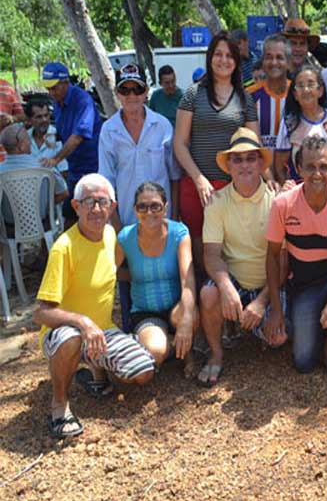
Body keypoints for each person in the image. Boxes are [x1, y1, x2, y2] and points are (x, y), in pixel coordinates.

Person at [33, 174, 155, 439]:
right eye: (89, 202)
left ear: (113, 207)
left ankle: (95, 370)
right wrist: (83, 322)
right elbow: (40, 312)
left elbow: (110, 273)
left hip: (102, 332)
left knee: (143, 372)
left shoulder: (111, 235)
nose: (97, 209)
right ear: (76, 207)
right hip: (65, 334)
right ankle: (60, 405)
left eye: (103, 202)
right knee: (71, 337)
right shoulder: (63, 248)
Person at [265, 136, 327, 379]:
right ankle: (318, 330)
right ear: (298, 169)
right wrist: (275, 309)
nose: (317, 174)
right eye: (310, 167)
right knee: (303, 362)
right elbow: (273, 257)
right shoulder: (283, 204)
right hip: (304, 284)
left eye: (323, 167)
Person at [173, 32, 259, 277]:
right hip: (197, 186)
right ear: (210, 58)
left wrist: (267, 179)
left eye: (229, 55)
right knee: (199, 252)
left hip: (234, 187)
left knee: (230, 251)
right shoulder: (192, 94)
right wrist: (199, 178)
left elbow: (254, 145)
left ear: (237, 61)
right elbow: (180, 143)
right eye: (218, 54)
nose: (224, 60)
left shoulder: (245, 98)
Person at [197, 128, 277, 386]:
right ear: (228, 166)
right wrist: (226, 286)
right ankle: (217, 354)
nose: (244, 165)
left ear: (261, 163)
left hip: (268, 285)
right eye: (237, 159)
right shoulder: (217, 202)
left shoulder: (278, 200)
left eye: (251, 158)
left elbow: (284, 260)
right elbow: (211, 254)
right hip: (235, 283)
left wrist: (263, 301)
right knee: (209, 294)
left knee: (279, 340)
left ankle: (245, 328)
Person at [116, 182, 198, 374]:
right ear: (135, 210)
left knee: (190, 315)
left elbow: (188, 279)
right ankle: (173, 346)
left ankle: (187, 352)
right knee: (155, 352)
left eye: (155, 206)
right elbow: (108, 272)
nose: (149, 212)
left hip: (177, 305)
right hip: (145, 312)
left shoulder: (179, 233)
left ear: (166, 207)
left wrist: (186, 317)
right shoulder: (125, 238)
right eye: (142, 207)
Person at [99, 63, 181, 232]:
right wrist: (117, 227)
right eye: (125, 90)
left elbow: (174, 176)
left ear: (146, 92)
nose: (131, 96)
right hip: (126, 222)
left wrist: (172, 220)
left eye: (137, 89)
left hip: (162, 223)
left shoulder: (163, 126)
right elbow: (106, 183)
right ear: (117, 93)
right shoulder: (108, 130)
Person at [40, 61, 103, 218]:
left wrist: (55, 159)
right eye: (48, 88)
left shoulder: (83, 100)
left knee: (92, 213)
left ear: (65, 83)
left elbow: (77, 137)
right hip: (75, 168)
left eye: (54, 88)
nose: (51, 92)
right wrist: (51, 138)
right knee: (71, 214)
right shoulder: (57, 101)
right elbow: (64, 131)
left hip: (93, 167)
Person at [273, 64, 327, 185]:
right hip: (299, 193)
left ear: (320, 91)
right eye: (300, 86)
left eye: (311, 84)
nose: (306, 90)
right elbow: (279, 166)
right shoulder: (289, 123)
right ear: (295, 94)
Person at [0, 123, 68, 225]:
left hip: (9, 229)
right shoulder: (44, 167)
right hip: (41, 225)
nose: (30, 143)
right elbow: (64, 193)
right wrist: (46, 205)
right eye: (28, 140)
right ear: (21, 146)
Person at [245, 34, 292, 163]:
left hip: (293, 176)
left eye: (280, 58)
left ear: (288, 62)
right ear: (263, 62)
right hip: (259, 175)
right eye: (269, 57)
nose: (274, 62)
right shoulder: (250, 95)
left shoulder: (297, 93)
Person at [26, 98, 68, 176]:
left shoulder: (58, 136)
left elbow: (64, 171)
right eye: (39, 117)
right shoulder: (24, 138)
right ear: (29, 120)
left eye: (46, 115)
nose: (44, 120)